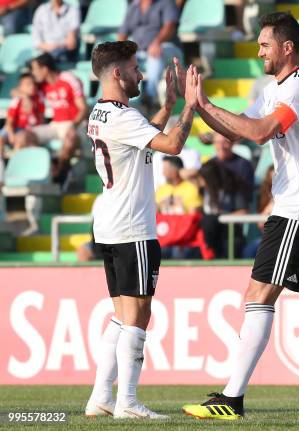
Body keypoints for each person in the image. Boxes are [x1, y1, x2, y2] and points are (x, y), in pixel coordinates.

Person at [180, 12, 299, 420]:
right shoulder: (276, 88)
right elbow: (240, 130)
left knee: (258, 295)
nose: (259, 51)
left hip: (296, 207)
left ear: (288, 47)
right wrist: (198, 108)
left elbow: (261, 132)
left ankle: (232, 398)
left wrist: (206, 104)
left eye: (265, 45)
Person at [84, 40, 200, 420]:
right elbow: (171, 145)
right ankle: (128, 402)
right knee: (138, 314)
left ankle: (101, 397)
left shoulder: (102, 113)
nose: (140, 74)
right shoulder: (121, 116)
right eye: (134, 68)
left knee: (121, 313)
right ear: (117, 73)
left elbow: (141, 141)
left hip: (111, 224)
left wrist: (167, 104)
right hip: (133, 227)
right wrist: (190, 106)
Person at [20, 53, 87, 182]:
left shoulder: (68, 78)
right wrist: (24, 96)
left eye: (35, 69)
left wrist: (73, 126)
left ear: (45, 69)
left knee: (70, 139)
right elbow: (16, 90)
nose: (33, 73)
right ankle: (50, 168)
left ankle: (60, 176)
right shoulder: (41, 84)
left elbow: (83, 108)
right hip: (55, 125)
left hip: (75, 123)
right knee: (23, 137)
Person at [117, 0, 182, 105]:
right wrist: (119, 50)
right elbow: (122, 33)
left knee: (155, 54)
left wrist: (157, 42)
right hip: (140, 52)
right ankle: (123, 98)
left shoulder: (166, 2)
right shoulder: (134, 6)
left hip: (167, 47)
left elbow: (170, 26)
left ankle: (150, 96)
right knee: (121, 59)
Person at [199, 159, 249, 258]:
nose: (200, 180)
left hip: (229, 234)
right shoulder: (202, 191)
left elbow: (243, 212)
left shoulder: (231, 189)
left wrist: (219, 218)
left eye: (202, 178)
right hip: (209, 235)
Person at [0, 73, 45, 156]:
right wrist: (11, 134)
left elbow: (41, 118)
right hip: (16, 128)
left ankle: (16, 163)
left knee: (21, 140)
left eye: (34, 84)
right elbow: (9, 121)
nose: (32, 86)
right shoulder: (17, 99)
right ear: (20, 87)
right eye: (28, 84)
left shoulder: (39, 97)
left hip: (30, 130)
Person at [210, 131, 254, 204]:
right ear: (213, 144)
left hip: (238, 207)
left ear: (232, 143)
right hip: (214, 208)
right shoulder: (208, 165)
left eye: (225, 142)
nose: (221, 146)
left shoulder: (243, 165)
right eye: (218, 142)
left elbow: (246, 194)